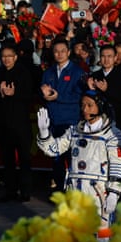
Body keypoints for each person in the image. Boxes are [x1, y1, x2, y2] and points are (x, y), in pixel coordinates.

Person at [37, 90, 121, 242]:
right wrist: (44, 132)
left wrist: (114, 193)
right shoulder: (74, 131)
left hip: (99, 197)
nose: (85, 109)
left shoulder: (113, 135)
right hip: (75, 196)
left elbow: (120, 165)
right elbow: (53, 149)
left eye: (89, 105)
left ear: (100, 107)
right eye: (83, 105)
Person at [40, 38, 85, 192]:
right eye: (56, 51)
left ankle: (75, 192)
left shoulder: (78, 72)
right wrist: (45, 94)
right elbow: (45, 94)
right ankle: (59, 189)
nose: (59, 54)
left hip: (71, 123)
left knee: (73, 159)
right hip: (54, 121)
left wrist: (58, 96)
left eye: (62, 51)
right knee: (56, 159)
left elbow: (80, 98)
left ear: (69, 52)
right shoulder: (48, 72)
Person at [0, 43, 33, 202]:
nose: (6, 59)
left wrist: (15, 93)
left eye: (9, 56)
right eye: (4, 57)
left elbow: (29, 95)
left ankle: (25, 191)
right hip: (4, 123)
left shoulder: (23, 73)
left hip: (20, 122)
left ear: (15, 57)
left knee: (24, 158)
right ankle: (10, 191)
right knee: (7, 159)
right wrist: (1, 94)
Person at [87, 44, 121, 137]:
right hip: (98, 120)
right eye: (103, 56)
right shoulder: (94, 76)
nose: (106, 60)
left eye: (109, 56)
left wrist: (107, 90)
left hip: (117, 119)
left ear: (115, 58)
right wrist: (89, 90)